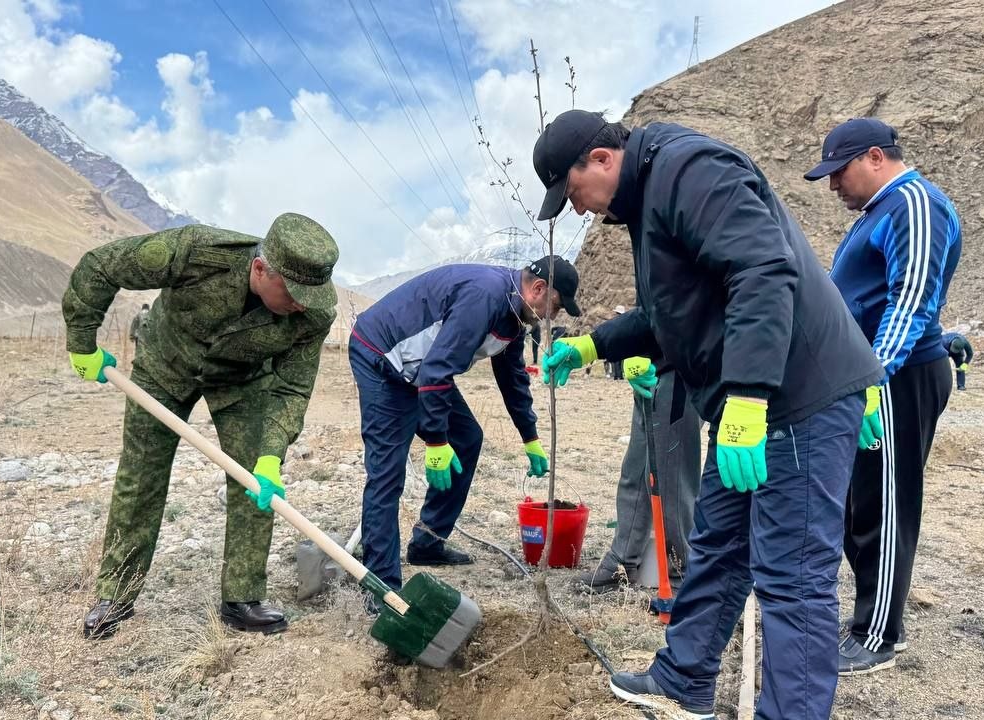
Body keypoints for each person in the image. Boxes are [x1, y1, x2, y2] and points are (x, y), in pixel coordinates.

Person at [535, 109, 884, 720]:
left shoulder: (688, 170)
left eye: (573, 195)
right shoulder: (649, 204)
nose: (581, 210)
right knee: (719, 543)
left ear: (599, 159)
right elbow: (670, 316)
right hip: (744, 409)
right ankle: (684, 678)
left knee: (792, 574)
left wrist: (749, 396)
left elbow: (761, 270)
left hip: (794, 397)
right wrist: (594, 344)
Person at [63, 213, 338, 639]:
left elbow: (292, 388)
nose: (302, 303)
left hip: (243, 381)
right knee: (142, 476)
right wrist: (82, 342)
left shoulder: (312, 314)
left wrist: (270, 455)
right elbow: (102, 265)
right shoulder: (196, 251)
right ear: (261, 268)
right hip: (164, 366)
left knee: (254, 481)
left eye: (311, 294)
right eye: (294, 292)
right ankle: (116, 593)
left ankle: (242, 598)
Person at [804, 117, 962, 674]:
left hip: (896, 379)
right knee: (854, 503)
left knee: (885, 504)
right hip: (868, 379)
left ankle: (877, 636)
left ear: (875, 157)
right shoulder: (880, 213)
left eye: (838, 172)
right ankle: (871, 614)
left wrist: (872, 376)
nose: (833, 185)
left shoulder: (915, 205)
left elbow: (911, 299)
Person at [348, 256, 580, 605]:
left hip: (424, 368)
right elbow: (437, 371)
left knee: (468, 438)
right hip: (383, 356)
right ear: (539, 289)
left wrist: (529, 437)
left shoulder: (515, 314)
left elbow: (512, 377)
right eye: (556, 306)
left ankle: (427, 541)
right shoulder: (484, 297)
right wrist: (437, 442)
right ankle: (382, 589)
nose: (553, 316)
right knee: (387, 473)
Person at [575, 357, 701, 598]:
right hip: (652, 369)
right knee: (635, 469)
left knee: (671, 477)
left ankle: (682, 575)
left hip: (680, 371)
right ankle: (622, 563)